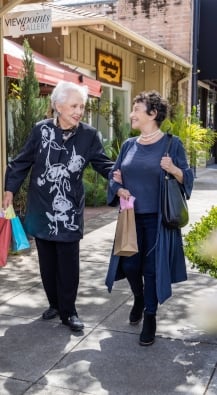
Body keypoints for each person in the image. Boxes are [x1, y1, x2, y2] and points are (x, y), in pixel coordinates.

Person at [3, 81, 114, 332]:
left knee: (68, 262)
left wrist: (121, 176)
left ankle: (69, 310)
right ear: (57, 106)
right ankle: (54, 304)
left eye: (82, 106)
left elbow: (102, 163)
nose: (79, 111)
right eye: (74, 105)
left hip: (69, 211)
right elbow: (21, 162)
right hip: (41, 207)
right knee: (47, 261)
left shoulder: (88, 135)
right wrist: (10, 189)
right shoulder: (40, 131)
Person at [106, 90, 194, 346]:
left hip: (158, 220)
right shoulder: (128, 146)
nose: (132, 114)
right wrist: (118, 188)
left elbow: (188, 179)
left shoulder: (171, 144)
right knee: (131, 266)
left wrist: (174, 169)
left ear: (152, 114)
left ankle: (150, 316)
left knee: (152, 269)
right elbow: (115, 175)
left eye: (136, 109)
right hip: (131, 217)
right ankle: (140, 296)